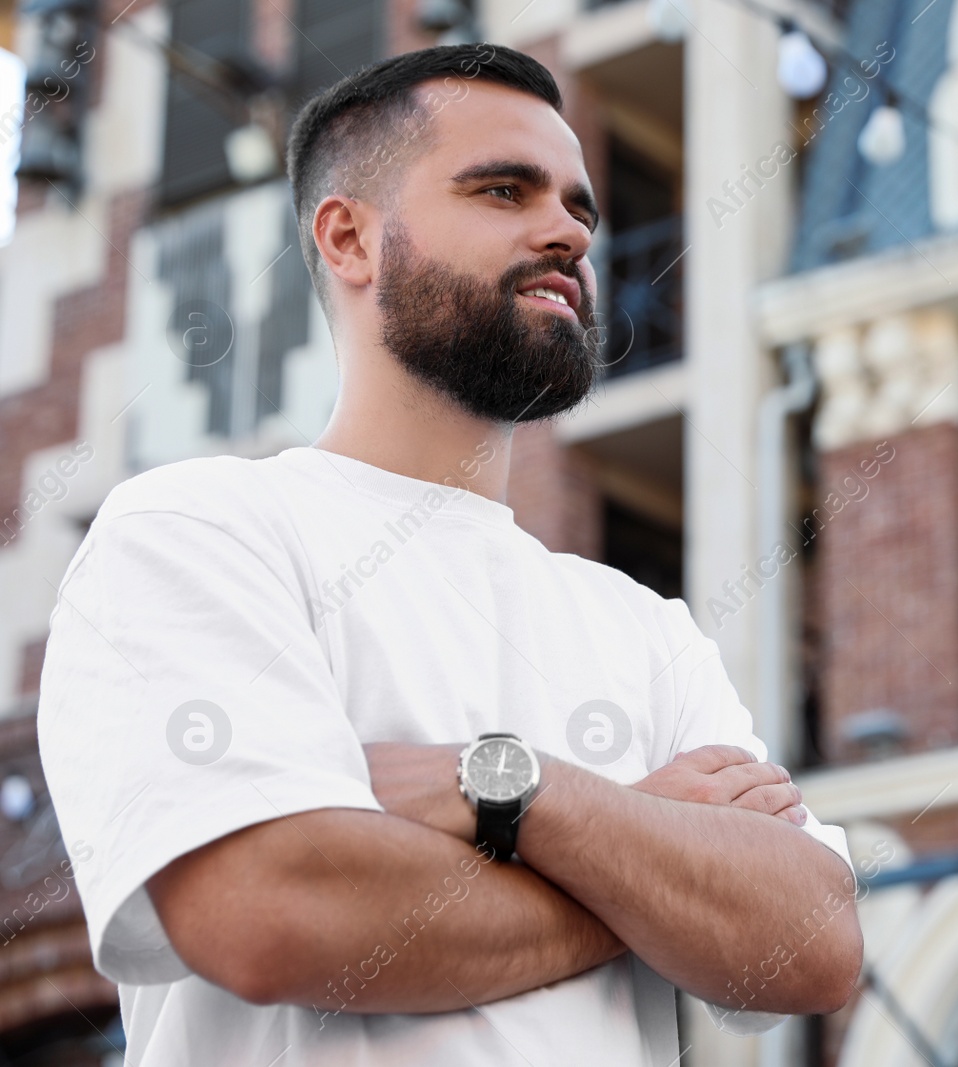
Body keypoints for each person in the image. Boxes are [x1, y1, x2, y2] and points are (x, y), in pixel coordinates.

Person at [36, 43, 861, 1066]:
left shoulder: (644, 627)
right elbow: (271, 908)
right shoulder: (196, 530)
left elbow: (816, 944)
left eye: (579, 210)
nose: (565, 231)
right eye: (503, 190)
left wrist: (505, 789)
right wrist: (643, 854)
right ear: (349, 239)